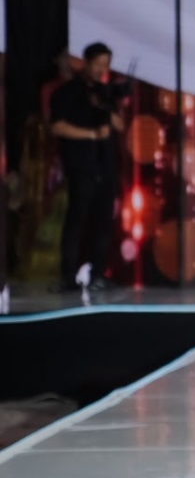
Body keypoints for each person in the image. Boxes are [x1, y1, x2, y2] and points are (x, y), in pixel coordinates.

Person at [49, 41, 125, 291]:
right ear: (86, 62)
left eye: (106, 65)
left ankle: (98, 273)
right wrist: (92, 134)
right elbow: (57, 126)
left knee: (103, 223)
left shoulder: (106, 93)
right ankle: (69, 275)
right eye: (98, 64)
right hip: (82, 165)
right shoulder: (67, 92)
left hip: (105, 166)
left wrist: (110, 115)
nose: (101, 69)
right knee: (77, 219)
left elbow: (119, 126)